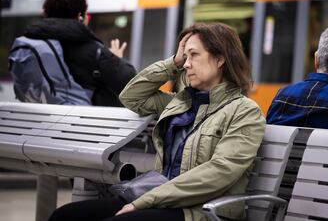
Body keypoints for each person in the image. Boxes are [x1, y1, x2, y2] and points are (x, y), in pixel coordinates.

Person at [48, 22, 265, 221]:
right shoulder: (179, 103)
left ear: (220, 59)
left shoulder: (244, 112)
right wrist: (173, 62)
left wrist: (146, 201)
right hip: (159, 199)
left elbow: (219, 172)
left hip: (200, 210)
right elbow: (131, 96)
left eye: (194, 55)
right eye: (185, 57)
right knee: (65, 216)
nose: (186, 64)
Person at [23, 0, 136, 106]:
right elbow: (134, 85)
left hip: (42, 121)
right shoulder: (95, 52)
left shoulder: (32, 46)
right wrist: (116, 60)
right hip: (87, 122)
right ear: (80, 17)